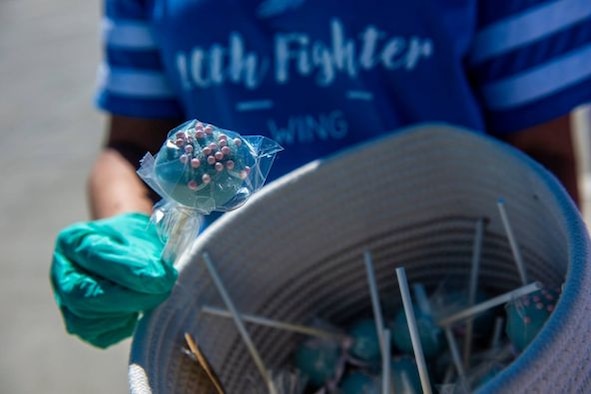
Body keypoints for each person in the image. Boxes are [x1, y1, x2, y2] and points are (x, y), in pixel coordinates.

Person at [51, 0, 591, 348]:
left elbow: (544, 153)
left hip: (468, 295)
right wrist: (128, 232)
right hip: (238, 316)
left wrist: (551, 315)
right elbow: (132, 143)